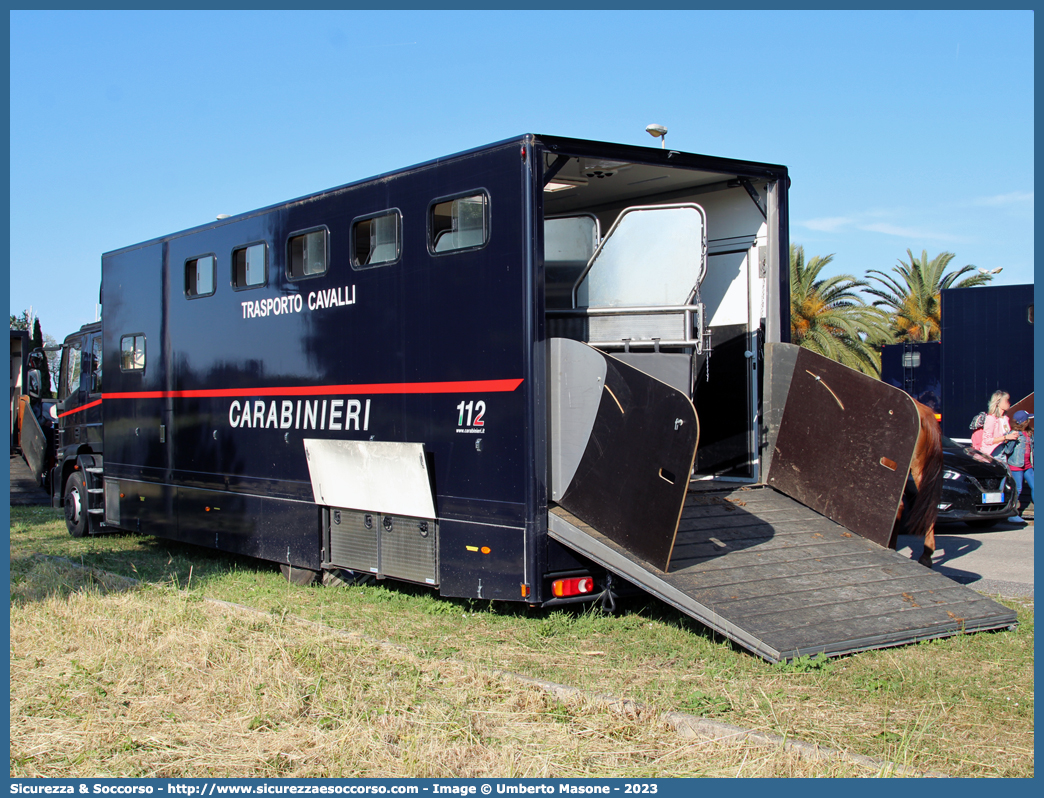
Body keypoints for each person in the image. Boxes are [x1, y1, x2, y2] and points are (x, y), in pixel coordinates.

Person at [977, 390, 1018, 462]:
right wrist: (1006, 437)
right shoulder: (991, 418)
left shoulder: (1005, 418)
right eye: (1006, 401)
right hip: (993, 453)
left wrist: (1012, 434)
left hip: (1003, 451)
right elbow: (987, 440)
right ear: (998, 403)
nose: (1009, 403)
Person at [1008, 409, 1034, 520]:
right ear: (1023, 421)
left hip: (1028, 465)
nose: (1029, 421)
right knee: (1018, 489)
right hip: (1016, 465)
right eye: (1027, 419)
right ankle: (1012, 513)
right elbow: (1008, 451)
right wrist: (1010, 439)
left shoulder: (1029, 433)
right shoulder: (1014, 434)